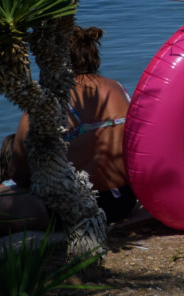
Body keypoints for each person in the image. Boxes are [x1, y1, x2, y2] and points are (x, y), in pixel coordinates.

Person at [10, 26, 136, 223]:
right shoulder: (116, 87)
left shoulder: (50, 98)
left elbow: (19, 170)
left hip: (77, 206)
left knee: (8, 201)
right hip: (125, 198)